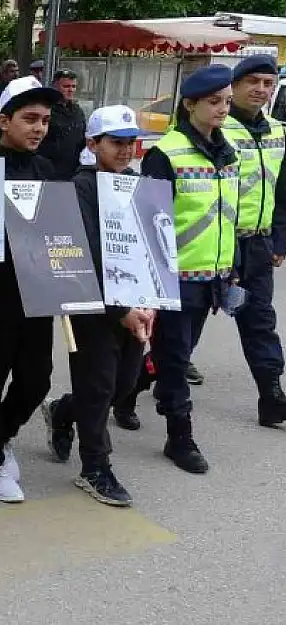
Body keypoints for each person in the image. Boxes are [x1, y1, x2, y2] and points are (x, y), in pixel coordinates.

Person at [41, 105, 155, 507]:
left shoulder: (137, 184)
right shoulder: (81, 188)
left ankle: (63, 410)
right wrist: (118, 310)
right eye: (116, 143)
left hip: (133, 305)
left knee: (123, 385)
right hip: (91, 306)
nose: (126, 151)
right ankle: (95, 469)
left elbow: (148, 250)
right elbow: (83, 253)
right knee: (100, 385)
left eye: (131, 142)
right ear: (93, 144)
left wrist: (148, 301)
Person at [139, 65, 239, 474]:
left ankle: (77, 407)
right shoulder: (168, 152)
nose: (222, 110)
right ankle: (180, 436)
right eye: (214, 102)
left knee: (169, 357)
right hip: (173, 277)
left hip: (212, 277)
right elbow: (150, 221)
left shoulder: (228, 151)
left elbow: (228, 217)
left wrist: (231, 270)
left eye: (227, 102)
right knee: (176, 361)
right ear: (190, 104)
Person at [0, 76, 61, 503]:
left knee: (36, 381)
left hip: (38, 293)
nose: (39, 128)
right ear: (4, 121)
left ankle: (1, 436)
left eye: (44, 120)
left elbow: (57, 232)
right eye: (30, 119)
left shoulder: (46, 168)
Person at [220, 54, 286, 427]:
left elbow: (282, 191)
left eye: (268, 83)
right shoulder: (217, 128)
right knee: (183, 336)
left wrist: (280, 238)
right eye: (253, 82)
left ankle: (272, 396)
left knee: (261, 321)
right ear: (235, 84)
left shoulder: (278, 131)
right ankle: (131, 390)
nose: (261, 90)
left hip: (258, 245)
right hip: (216, 245)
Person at [38, 69, 87, 181]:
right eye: (66, 86)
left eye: (73, 86)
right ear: (55, 86)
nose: (70, 90)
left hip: (73, 170)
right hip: (49, 171)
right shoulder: (47, 109)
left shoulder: (77, 110)